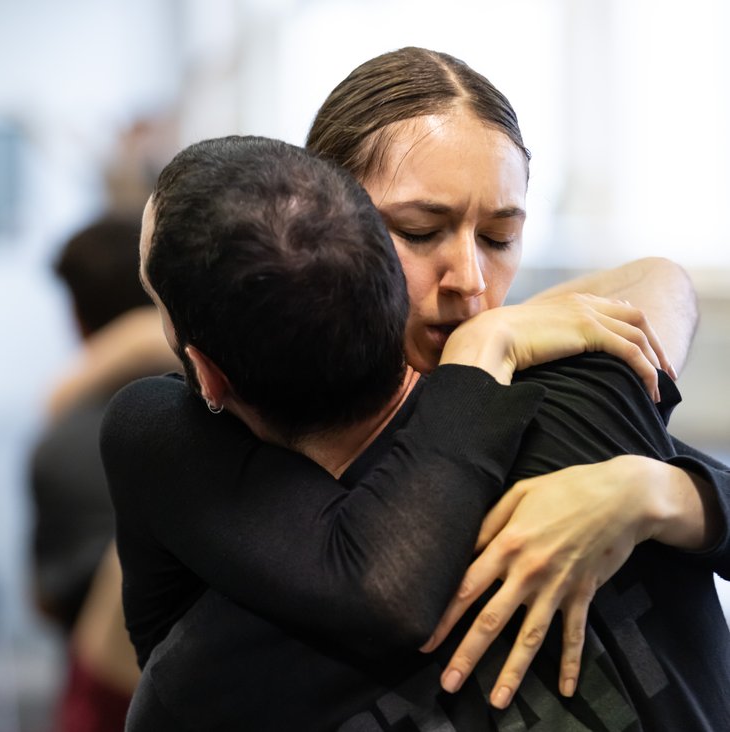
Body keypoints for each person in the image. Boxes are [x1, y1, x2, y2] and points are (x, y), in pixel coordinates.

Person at [104, 134, 730, 731]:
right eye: (420, 231)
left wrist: (652, 493)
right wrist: (485, 349)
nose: (471, 281)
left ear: (210, 375)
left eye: (499, 234)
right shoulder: (582, 397)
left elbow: (659, 280)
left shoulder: (192, 683)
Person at [28, 216, 178, 732]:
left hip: (104, 693)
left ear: (78, 316)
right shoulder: (229, 408)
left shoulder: (62, 437)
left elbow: (44, 602)